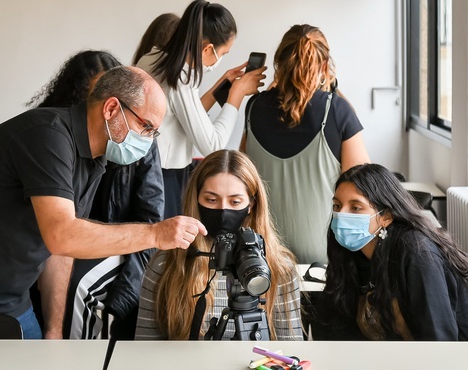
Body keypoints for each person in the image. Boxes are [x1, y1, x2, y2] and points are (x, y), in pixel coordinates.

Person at [0, 64, 207, 339]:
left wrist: (54, 330)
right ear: (112, 109)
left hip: (10, 304)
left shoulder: (94, 158)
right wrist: (154, 234)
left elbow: (63, 250)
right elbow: (62, 234)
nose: (149, 141)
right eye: (146, 127)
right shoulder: (48, 135)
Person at [25, 50, 164, 340]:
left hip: (115, 249)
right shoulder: (53, 139)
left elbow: (149, 216)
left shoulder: (141, 141)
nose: (103, 108)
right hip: (56, 247)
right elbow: (60, 237)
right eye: (95, 98)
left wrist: (125, 291)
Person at [135, 149, 302, 340]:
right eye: (211, 200)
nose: (223, 210)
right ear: (196, 200)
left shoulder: (280, 268)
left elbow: (290, 352)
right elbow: (145, 346)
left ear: (251, 205)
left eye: (235, 201)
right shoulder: (165, 264)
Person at [243, 24, 370, 264]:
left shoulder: (254, 107)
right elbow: (365, 187)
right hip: (323, 259)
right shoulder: (338, 111)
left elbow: (243, 175)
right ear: (324, 66)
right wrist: (333, 90)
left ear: (279, 64)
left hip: (265, 255)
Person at [136, 0, 265, 219]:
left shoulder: (152, 59)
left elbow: (178, 117)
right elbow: (213, 147)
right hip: (163, 178)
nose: (220, 60)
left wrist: (219, 88)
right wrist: (236, 96)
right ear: (207, 49)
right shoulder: (180, 78)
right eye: (223, 53)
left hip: (143, 171)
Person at [316, 163, 468, 340]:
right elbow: (337, 321)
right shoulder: (350, 250)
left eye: (356, 208)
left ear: (386, 216)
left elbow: (438, 340)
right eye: (337, 206)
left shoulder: (416, 251)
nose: (342, 214)